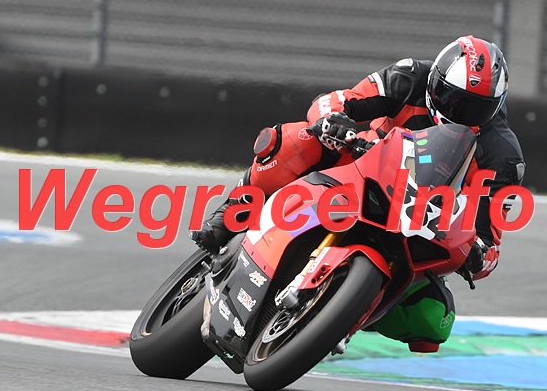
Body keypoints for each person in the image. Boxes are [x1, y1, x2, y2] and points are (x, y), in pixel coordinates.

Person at [191, 35, 525, 348]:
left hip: (420, 221)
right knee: (296, 141)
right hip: (364, 165)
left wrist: (476, 254)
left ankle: (346, 312)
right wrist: (333, 121)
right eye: (451, 98)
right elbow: (334, 101)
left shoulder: (503, 158)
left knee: (433, 320)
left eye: (474, 108)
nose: (458, 111)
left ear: (495, 107)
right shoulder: (408, 77)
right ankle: (233, 213)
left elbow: (490, 245)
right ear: (436, 80)